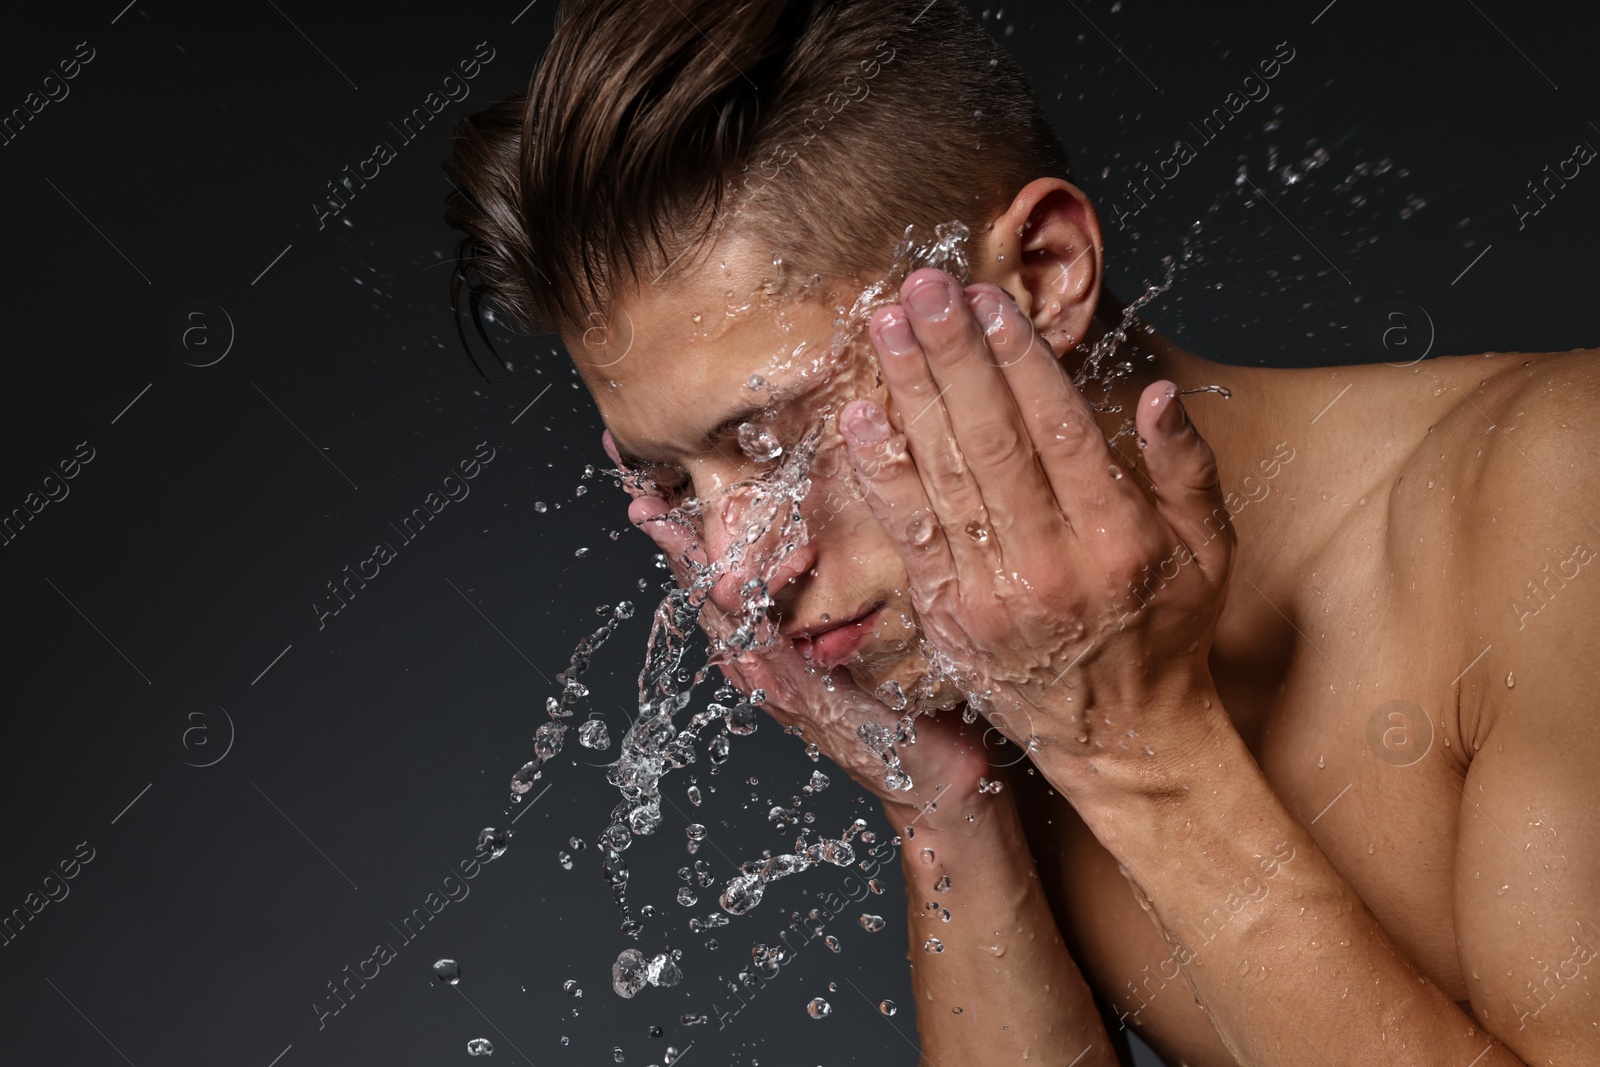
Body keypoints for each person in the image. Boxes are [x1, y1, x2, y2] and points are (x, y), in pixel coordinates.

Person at [442, 1, 1600, 1063]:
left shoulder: (1557, 486)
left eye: (776, 436)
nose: (743, 567)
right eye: (675, 483)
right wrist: (944, 813)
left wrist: (1135, 759)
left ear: (1042, 273)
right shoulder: (1019, 661)